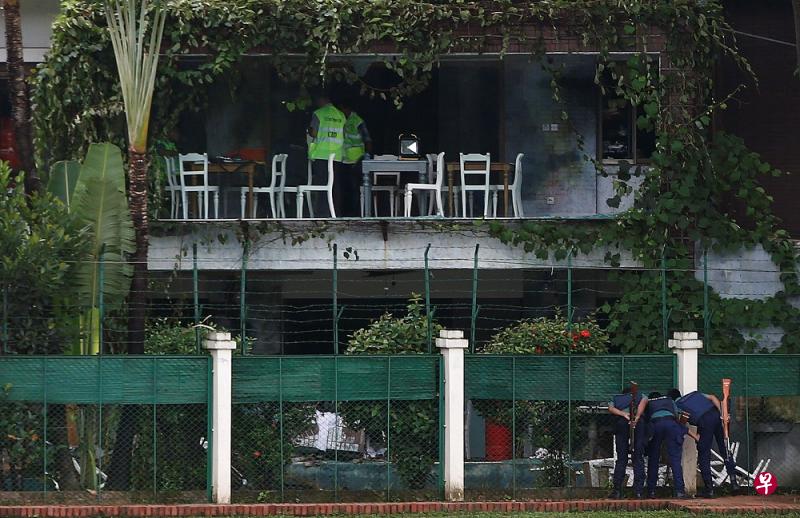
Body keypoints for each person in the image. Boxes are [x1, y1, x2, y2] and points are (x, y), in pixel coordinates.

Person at [669, 388, 739, 498]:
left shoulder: (677, 404)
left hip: (704, 422)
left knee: (703, 454)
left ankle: (709, 490)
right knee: (724, 448)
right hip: (716, 415)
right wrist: (722, 414)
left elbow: (682, 423)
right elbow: (713, 397)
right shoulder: (694, 394)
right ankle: (734, 482)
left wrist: (694, 436)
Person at [645, 393, 696, 499]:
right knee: (675, 460)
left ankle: (651, 492)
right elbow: (679, 417)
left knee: (653, 459)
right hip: (671, 424)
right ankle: (679, 492)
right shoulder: (670, 401)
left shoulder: (648, 403)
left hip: (655, 425)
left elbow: (646, 420)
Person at [307, 92, 346, 216]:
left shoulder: (319, 114)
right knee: (335, 186)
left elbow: (313, 133)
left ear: (321, 100)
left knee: (323, 186)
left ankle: (323, 213)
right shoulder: (341, 115)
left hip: (321, 155)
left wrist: (308, 130)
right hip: (337, 155)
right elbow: (344, 134)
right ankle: (336, 213)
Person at [607, 386, 648, 499]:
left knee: (621, 458)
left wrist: (623, 414)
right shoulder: (641, 395)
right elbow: (643, 403)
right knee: (638, 457)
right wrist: (637, 418)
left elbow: (610, 408)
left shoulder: (616, 398)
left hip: (621, 423)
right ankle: (638, 491)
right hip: (638, 424)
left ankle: (617, 491)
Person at [338, 101, 373, 217]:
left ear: (345, 108)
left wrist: (366, 156)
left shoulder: (357, 121)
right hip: (343, 160)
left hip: (357, 160)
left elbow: (367, 140)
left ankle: (355, 213)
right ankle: (345, 212)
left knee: (354, 188)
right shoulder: (341, 119)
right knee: (344, 187)